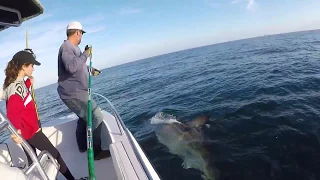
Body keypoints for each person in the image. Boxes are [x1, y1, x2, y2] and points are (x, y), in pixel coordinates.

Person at [2, 50, 87, 180]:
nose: (33, 69)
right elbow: (13, 112)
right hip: (30, 132)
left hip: (29, 130)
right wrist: (16, 133)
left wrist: (29, 83)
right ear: (24, 66)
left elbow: (21, 97)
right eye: (31, 65)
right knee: (55, 156)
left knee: (33, 159)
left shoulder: (17, 83)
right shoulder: (16, 88)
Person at [57, 21, 110, 159]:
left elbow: (79, 66)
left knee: (84, 117)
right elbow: (71, 67)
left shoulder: (73, 49)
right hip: (74, 93)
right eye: (81, 34)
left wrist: (91, 70)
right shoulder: (66, 47)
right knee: (97, 116)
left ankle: (82, 146)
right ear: (77, 33)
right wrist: (86, 53)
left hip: (75, 92)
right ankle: (96, 152)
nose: (81, 37)